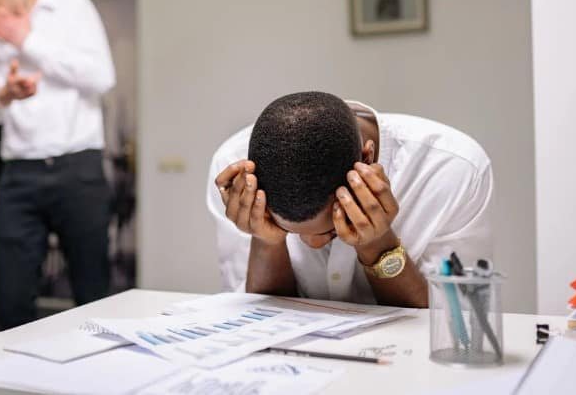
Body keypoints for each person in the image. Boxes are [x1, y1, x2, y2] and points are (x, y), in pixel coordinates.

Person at [207, 91, 493, 308]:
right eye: (290, 230)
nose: (314, 243)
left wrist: (377, 243)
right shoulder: (237, 179)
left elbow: (454, 326)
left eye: (329, 229)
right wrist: (268, 241)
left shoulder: (453, 170)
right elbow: (257, 319)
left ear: (367, 160)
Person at [0, 0, 115, 330]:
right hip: (19, 176)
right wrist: (5, 94)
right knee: (10, 297)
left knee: (93, 293)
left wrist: (26, 40)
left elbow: (101, 77)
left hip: (78, 170)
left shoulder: (72, 7)